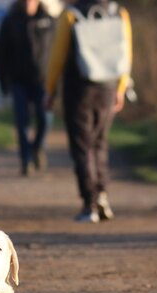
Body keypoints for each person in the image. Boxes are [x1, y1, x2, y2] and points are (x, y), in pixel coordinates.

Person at [45, 0, 132, 223]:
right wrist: (121, 87)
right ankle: (102, 195)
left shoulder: (71, 14)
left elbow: (58, 56)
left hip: (79, 89)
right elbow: (126, 52)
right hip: (108, 88)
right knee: (100, 142)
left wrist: (50, 89)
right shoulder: (119, 13)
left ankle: (89, 204)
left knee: (82, 147)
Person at [0, 0, 55, 176]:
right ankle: (25, 160)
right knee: (22, 123)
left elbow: (57, 50)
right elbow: (1, 52)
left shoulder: (49, 21)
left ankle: (37, 148)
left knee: (45, 119)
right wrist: (3, 80)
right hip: (19, 80)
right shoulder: (11, 20)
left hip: (43, 81)